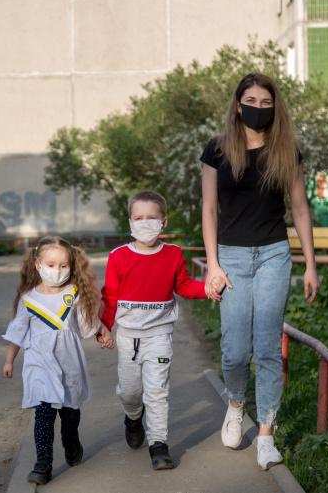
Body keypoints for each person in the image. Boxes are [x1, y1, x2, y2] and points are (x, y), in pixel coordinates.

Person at [200, 73, 319, 470]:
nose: (258, 108)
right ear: (238, 105)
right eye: (251, 100)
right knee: (235, 350)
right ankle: (236, 403)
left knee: (267, 347)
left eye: (266, 102)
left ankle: (266, 432)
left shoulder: (286, 150)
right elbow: (209, 209)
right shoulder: (218, 150)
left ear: (275, 106)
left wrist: (311, 265)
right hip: (231, 258)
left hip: (273, 255)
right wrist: (213, 264)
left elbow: (299, 208)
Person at [100, 191, 224, 470]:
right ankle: (133, 417)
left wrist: (208, 288)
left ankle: (159, 445)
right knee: (130, 393)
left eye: (151, 217)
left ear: (163, 221)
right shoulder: (118, 256)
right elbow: (110, 296)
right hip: (128, 336)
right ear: (130, 222)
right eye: (138, 218)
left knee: (157, 392)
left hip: (159, 335)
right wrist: (104, 327)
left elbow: (184, 286)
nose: (145, 223)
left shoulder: (173, 254)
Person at [2, 236, 113, 485]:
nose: (57, 270)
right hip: (39, 364)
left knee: (70, 414)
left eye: (63, 265)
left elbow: (87, 323)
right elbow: (17, 332)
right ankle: (43, 464)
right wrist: (9, 361)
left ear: (71, 266)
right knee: (43, 414)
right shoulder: (28, 299)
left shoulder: (74, 294)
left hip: (69, 363)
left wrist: (102, 331)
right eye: (51, 265)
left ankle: (71, 442)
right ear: (38, 264)